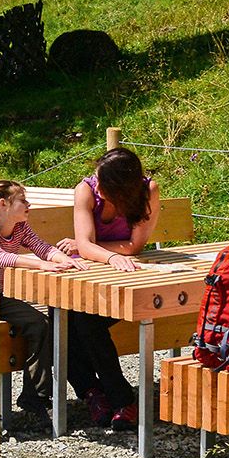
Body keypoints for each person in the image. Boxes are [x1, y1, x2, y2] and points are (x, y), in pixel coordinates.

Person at [0, 178, 77, 432]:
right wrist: (42, 265)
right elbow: (0, 257)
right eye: (23, 200)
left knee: (40, 324)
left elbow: (41, 247)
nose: (29, 204)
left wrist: (63, 259)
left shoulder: (21, 227)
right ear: (3, 204)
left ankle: (35, 398)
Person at [62, 147, 159, 428]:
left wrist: (93, 248)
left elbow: (134, 246)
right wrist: (112, 254)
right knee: (64, 317)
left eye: (104, 183)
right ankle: (105, 395)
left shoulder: (148, 190)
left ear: (122, 188)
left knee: (82, 319)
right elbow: (88, 246)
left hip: (126, 280)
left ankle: (109, 396)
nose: (97, 185)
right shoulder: (86, 191)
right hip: (94, 277)